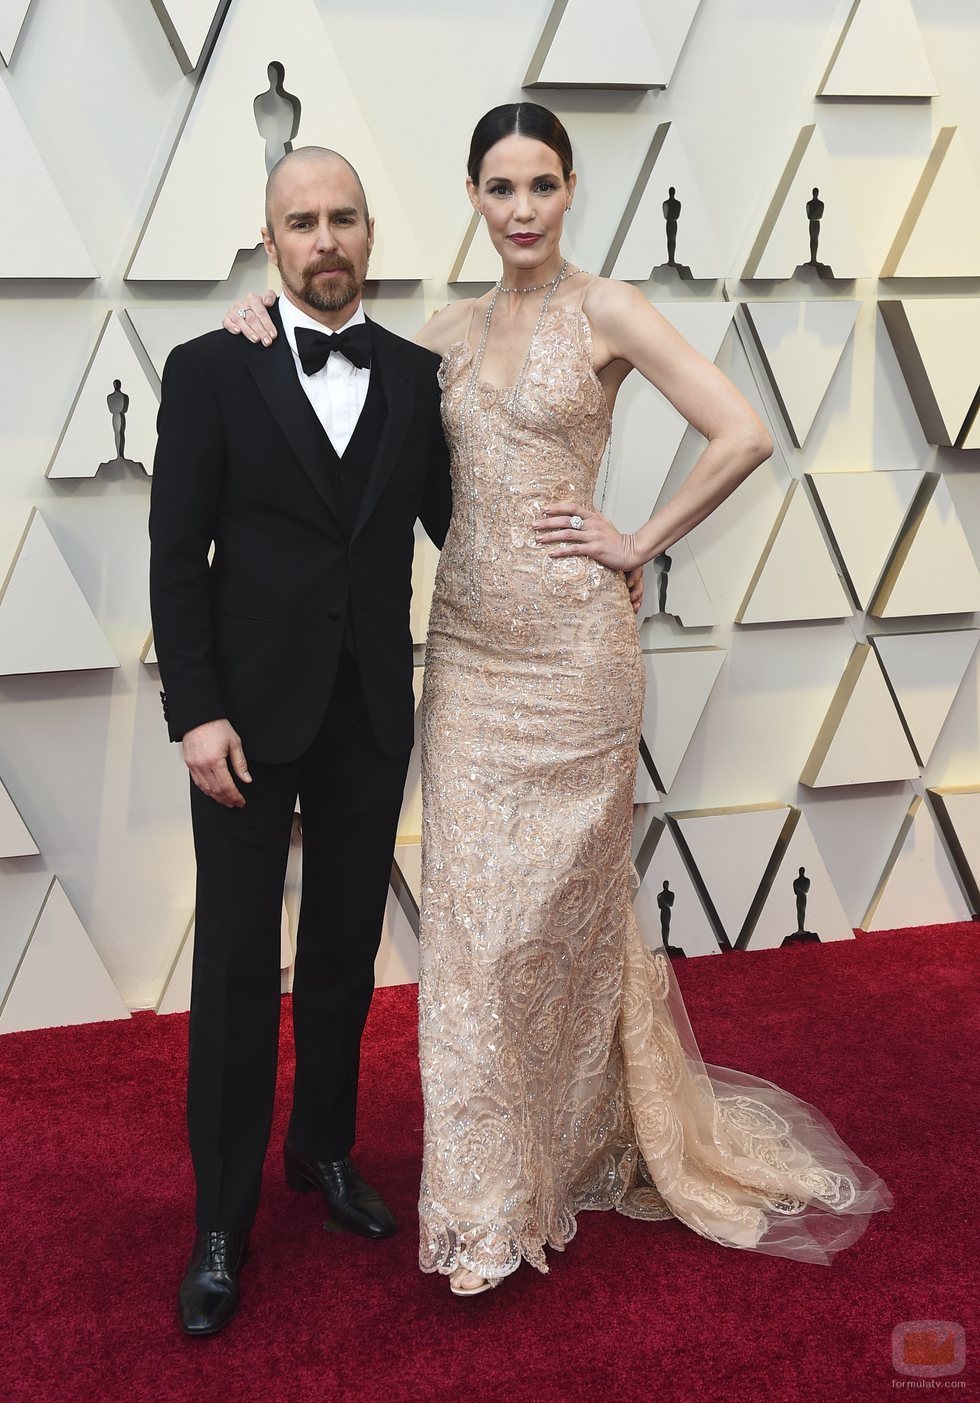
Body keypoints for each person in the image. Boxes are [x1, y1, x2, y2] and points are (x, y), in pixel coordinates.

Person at [225, 103, 893, 1299]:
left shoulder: (610, 309)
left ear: (570, 191)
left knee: (560, 929)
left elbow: (739, 431)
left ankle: (567, 1144)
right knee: (476, 940)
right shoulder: (440, 330)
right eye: (499, 188)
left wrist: (636, 537)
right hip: (469, 659)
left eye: (541, 185)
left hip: (575, 661)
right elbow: (334, 393)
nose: (521, 209)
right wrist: (258, 325)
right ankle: (485, 1202)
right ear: (472, 199)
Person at [150, 146, 459, 1336]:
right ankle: (219, 1222)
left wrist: (589, 560)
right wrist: (195, 711)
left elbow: (458, 527)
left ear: (369, 233)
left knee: (340, 950)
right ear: (268, 240)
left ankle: (322, 1153)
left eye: (341, 219)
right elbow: (177, 557)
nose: (323, 240)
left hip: (367, 709)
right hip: (240, 720)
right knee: (235, 967)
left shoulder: (419, 376)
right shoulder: (208, 369)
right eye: (300, 222)